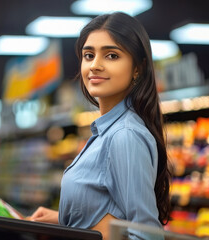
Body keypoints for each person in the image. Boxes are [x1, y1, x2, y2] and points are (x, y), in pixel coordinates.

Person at [30, 12, 171, 239]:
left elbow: (147, 235)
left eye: (112, 56)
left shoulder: (124, 135)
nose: (95, 65)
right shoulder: (106, 130)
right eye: (88, 55)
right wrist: (62, 219)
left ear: (138, 68)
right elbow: (112, 213)